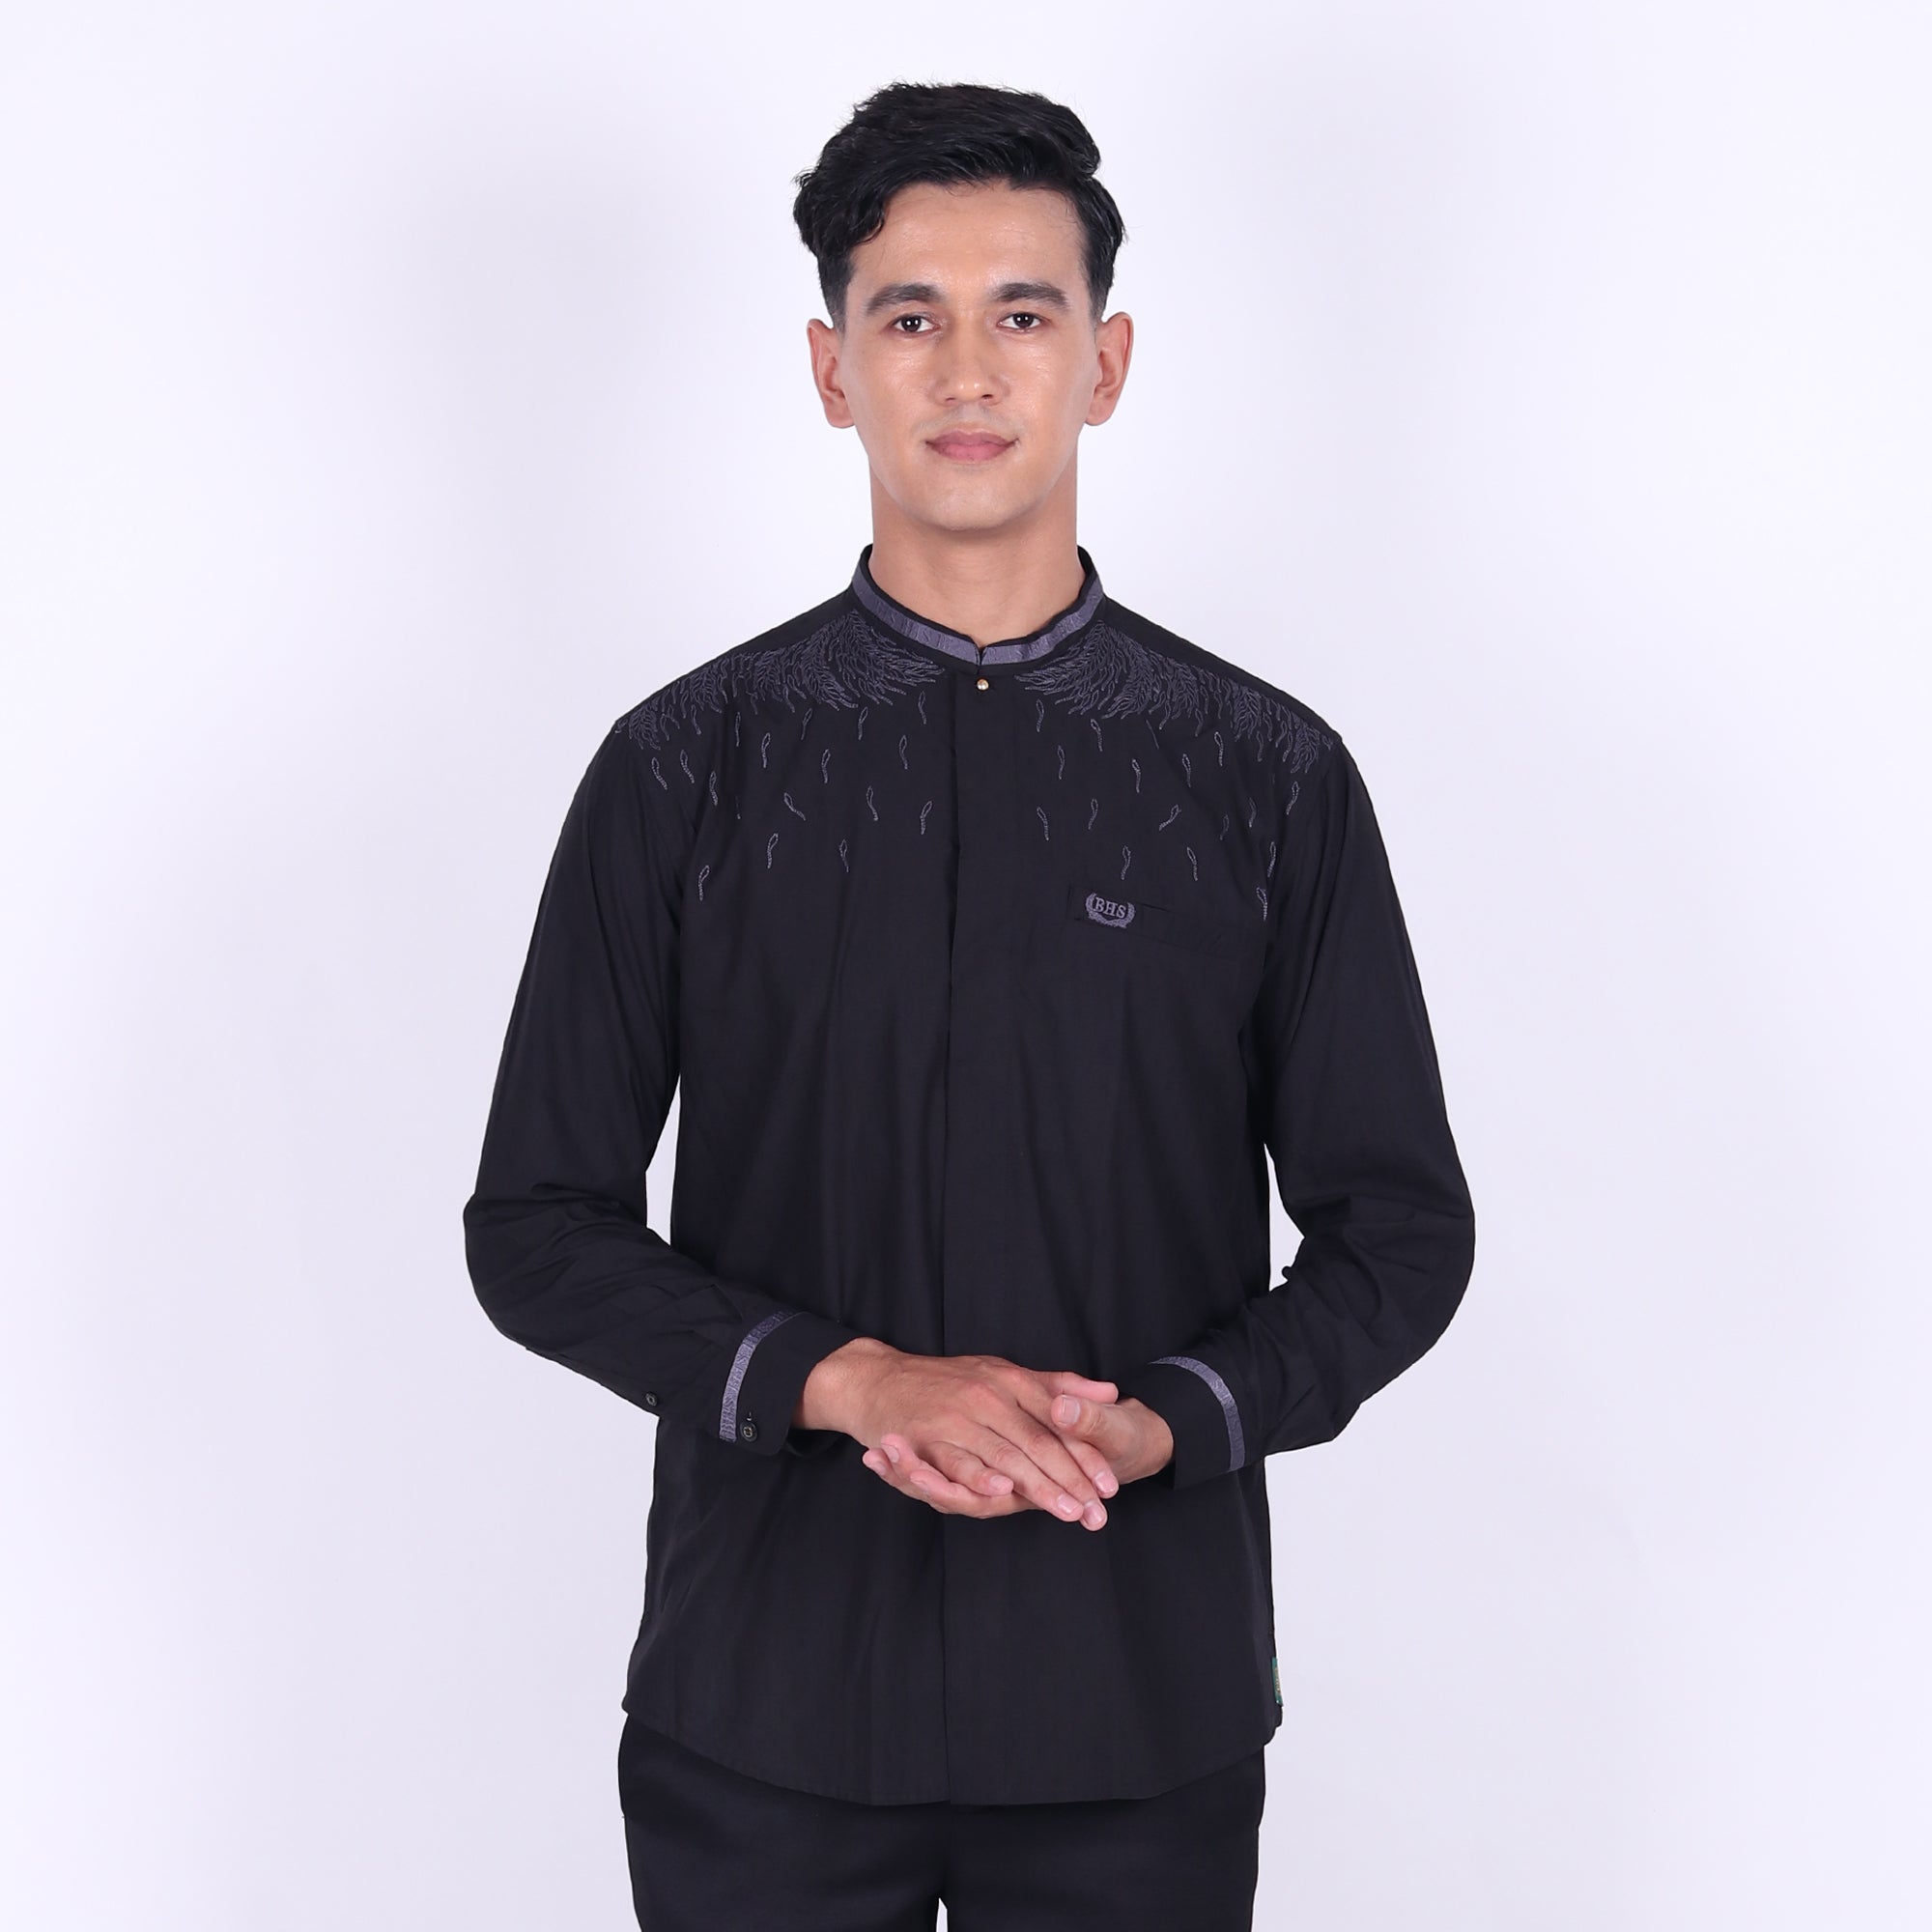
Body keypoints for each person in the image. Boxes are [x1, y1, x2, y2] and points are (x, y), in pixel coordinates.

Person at [462, 78, 1476, 1932]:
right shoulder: (685, 767)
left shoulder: (1264, 774)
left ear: (1107, 361)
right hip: (761, 1709)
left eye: (1023, 311)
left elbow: (1399, 1233)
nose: (967, 369)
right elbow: (534, 1224)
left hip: (1136, 1709)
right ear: (832, 371)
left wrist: (1162, 1421)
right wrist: (852, 1382)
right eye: (908, 317)